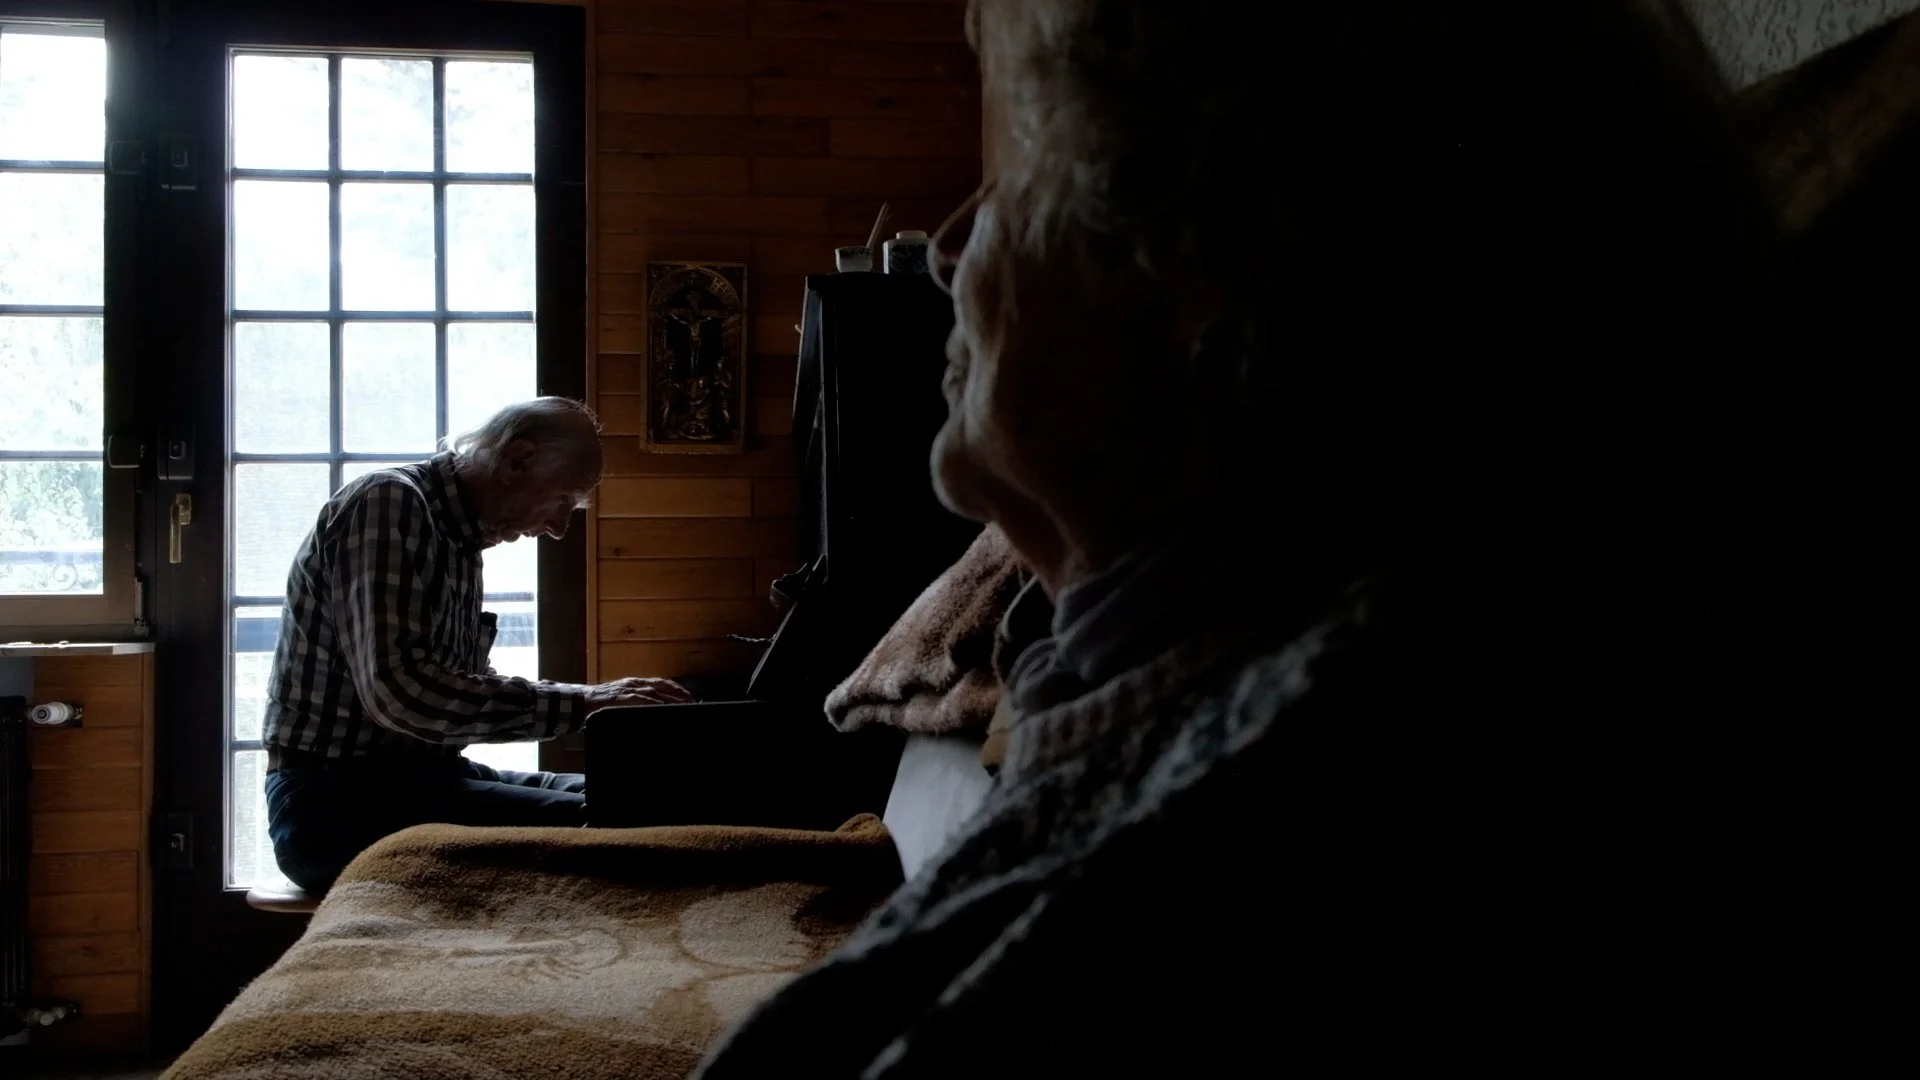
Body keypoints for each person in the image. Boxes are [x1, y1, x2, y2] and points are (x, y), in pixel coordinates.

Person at [692, 1, 1890, 1075]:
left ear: (1214, 257)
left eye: (1024, 166)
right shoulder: (1155, 668)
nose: (951, 247)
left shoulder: (1338, 805)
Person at [262, 397, 690, 893]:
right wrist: (587, 703)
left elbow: (455, 688)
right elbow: (402, 694)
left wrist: (596, 704)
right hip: (330, 804)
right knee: (622, 826)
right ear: (518, 460)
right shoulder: (389, 503)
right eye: (561, 500)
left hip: (419, 777)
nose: (557, 529)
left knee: (639, 801)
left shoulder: (459, 540)